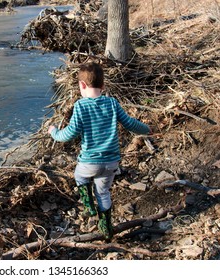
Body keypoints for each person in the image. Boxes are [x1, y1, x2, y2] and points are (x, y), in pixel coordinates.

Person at [48, 62, 151, 240]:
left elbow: (70, 133)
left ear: (81, 85)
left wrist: (54, 132)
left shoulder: (81, 106)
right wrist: (146, 129)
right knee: (103, 192)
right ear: (103, 86)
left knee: (79, 177)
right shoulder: (112, 103)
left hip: (89, 161)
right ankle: (107, 228)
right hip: (111, 162)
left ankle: (88, 206)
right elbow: (130, 123)